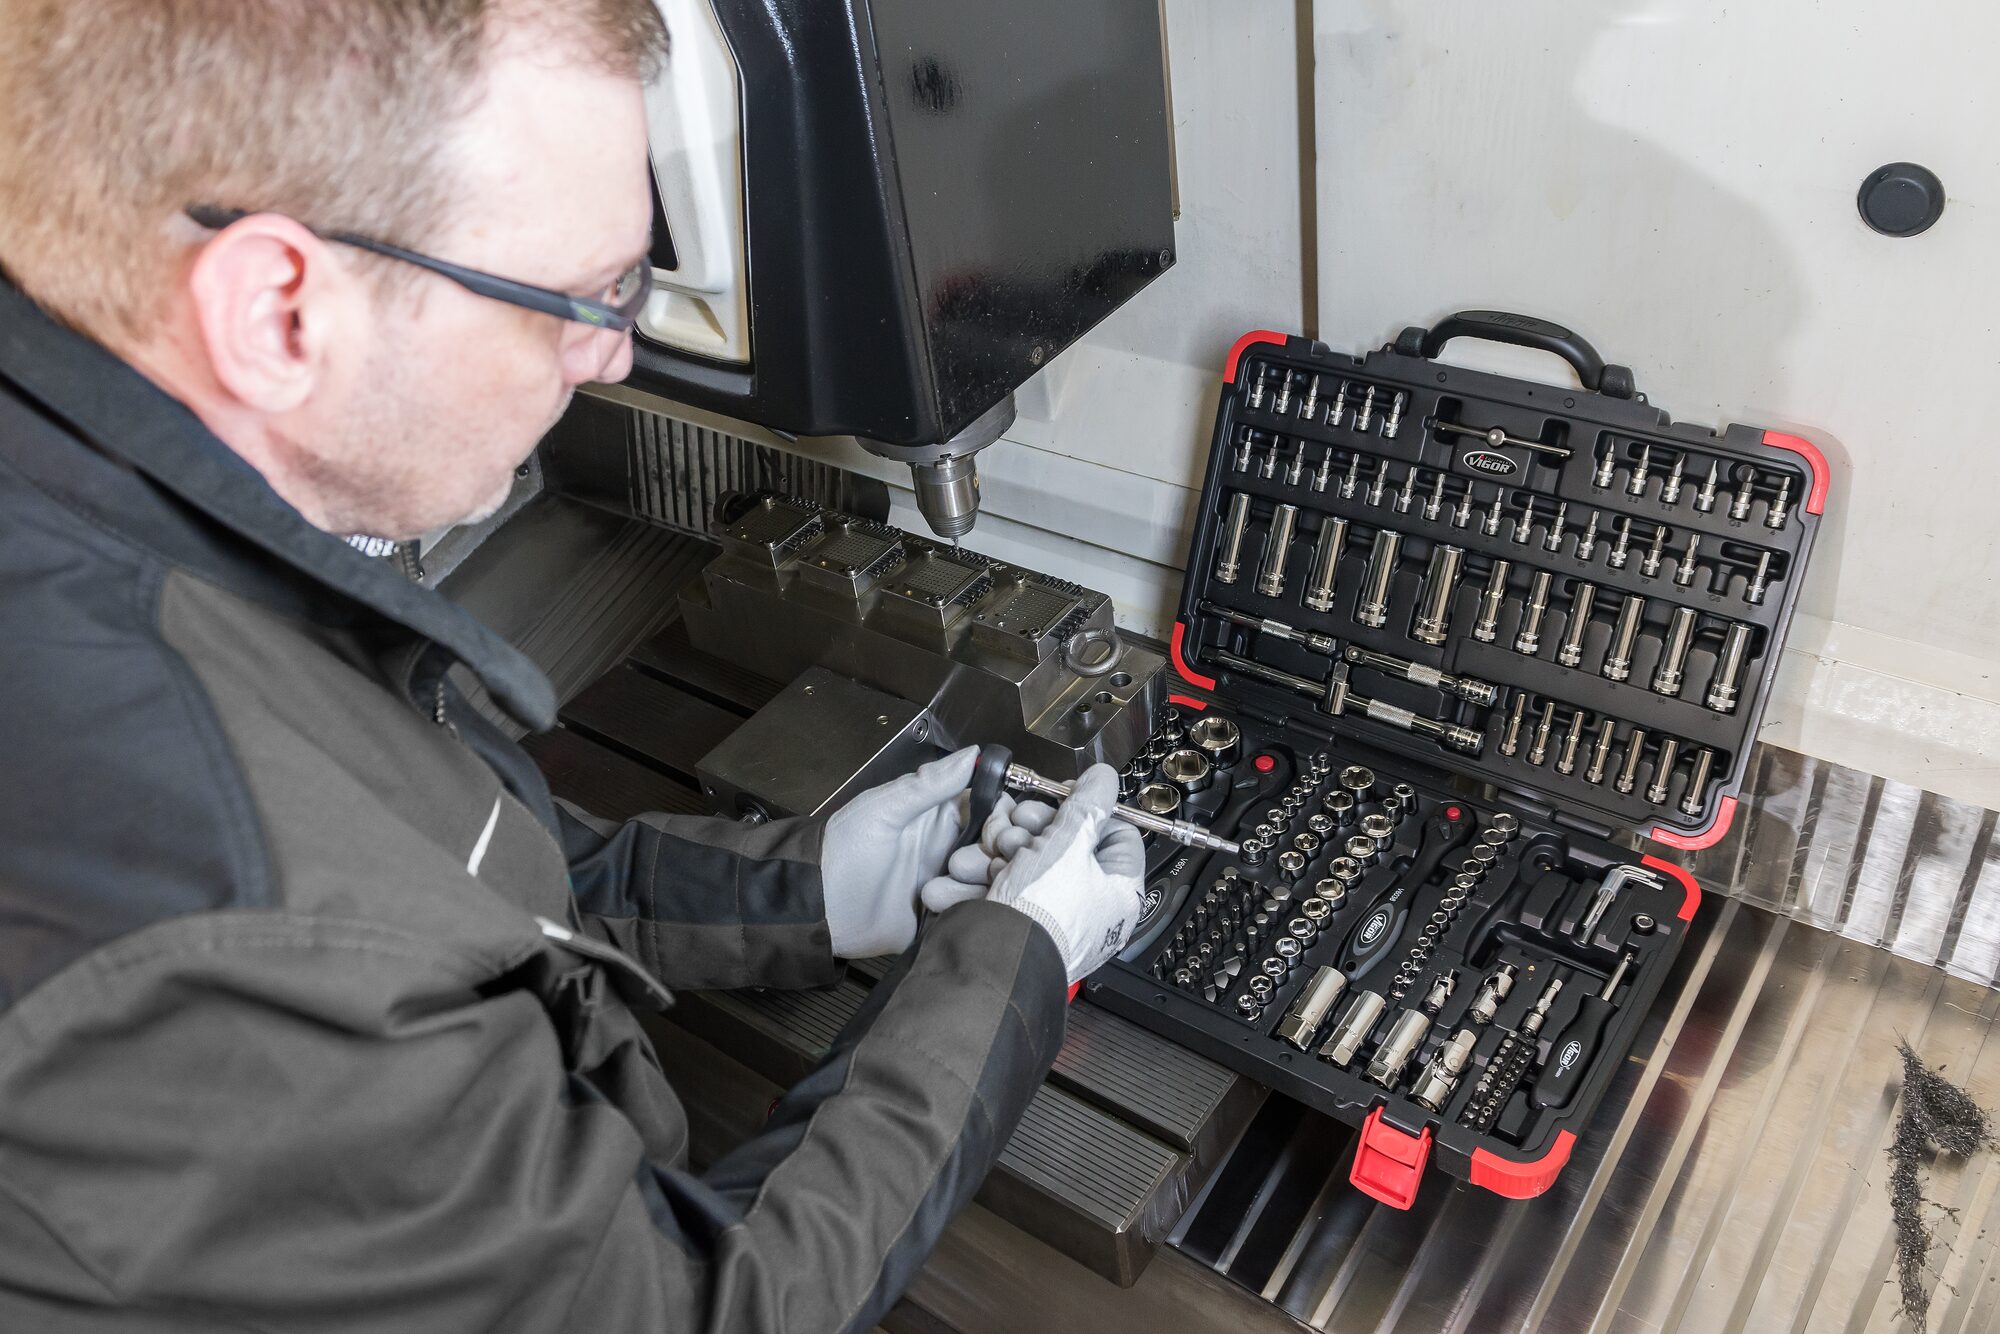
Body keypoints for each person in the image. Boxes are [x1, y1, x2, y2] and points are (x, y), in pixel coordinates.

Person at [0, 3, 1146, 1329]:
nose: (612, 358)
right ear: (277, 311)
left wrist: (807, 891)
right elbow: (695, 1312)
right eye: (587, 298)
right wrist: (1008, 966)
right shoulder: (199, 945)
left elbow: (435, 880)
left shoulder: (108, 517)